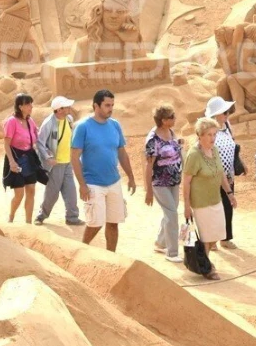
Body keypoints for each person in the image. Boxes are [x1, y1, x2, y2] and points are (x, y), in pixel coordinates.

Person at [70, 89, 136, 252]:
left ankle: (111, 258)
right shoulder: (83, 127)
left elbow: (122, 152)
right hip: (93, 183)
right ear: (96, 106)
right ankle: (80, 251)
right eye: (107, 105)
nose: (110, 108)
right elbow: (74, 157)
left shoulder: (115, 125)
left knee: (113, 223)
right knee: (95, 223)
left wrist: (131, 177)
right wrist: (82, 185)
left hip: (114, 182)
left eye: (112, 105)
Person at [182, 117, 236, 280]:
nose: (213, 138)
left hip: (216, 199)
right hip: (201, 203)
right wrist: (186, 205)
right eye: (209, 135)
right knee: (206, 237)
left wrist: (230, 193)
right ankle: (206, 267)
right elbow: (186, 182)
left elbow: (220, 174)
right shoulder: (194, 155)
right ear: (200, 135)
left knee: (217, 233)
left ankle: (202, 263)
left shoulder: (215, 151)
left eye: (214, 134)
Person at [34, 96, 84, 227]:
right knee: (52, 193)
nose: (69, 108)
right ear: (59, 110)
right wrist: (48, 157)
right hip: (55, 165)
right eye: (66, 106)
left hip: (67, 163)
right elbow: (40, 143)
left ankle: (72, 217)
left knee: (71, 191)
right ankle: (41, 216)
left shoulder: (69, 119)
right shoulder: (48, 123)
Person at [145, 103, 184, 263]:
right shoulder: (153, 140)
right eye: (172, 117)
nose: (175, 119)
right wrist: (148, 190)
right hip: (160, 183)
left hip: (174, 181)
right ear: (163, 120)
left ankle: (160, 243)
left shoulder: (171, 132)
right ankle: (172, 252)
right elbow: (148, 166)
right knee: (172, 215)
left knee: (171, 212)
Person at [205, 96, 239, 249]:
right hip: (213, 176)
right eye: (224, 112)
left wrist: (240, 163)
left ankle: (225, 238)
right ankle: (212, 239)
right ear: (216, 114)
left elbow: (233, 145)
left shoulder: (228, 126)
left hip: (228, 174)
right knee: (214, 208)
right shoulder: (208, 130)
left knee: (227, 206)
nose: (227, 115)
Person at [2, 93, 41, 224]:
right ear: (20, 106)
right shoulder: (11, 122)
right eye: (28, 104)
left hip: (29, 158)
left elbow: (37, 135)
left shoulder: (30, 121)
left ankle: (28, 223)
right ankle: (11, 217)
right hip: (16, 159)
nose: (31, 106)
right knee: (19, 194)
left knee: (31, 191)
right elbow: (6, 144)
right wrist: (12, 162)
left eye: (31, 103)